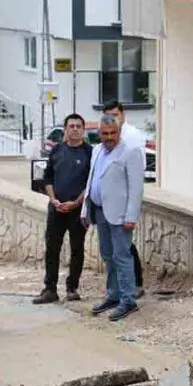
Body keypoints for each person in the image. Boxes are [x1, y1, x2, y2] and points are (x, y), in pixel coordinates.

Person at [81, 114, 144, 322]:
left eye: (113, 133)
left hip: (120, 215)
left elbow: (136, 188)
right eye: (105, 133)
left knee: (122, 256)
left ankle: (128, 299)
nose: (109, 137)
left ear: (119, 132)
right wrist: (85, 210)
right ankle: (113, 295)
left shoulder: (130, 152)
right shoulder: (97, 150)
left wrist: (131, 216)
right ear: (99, 133)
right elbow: (91, 180)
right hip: (99, 210)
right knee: (107, 255)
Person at [32, 113, 93, 304]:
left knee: (77, 249)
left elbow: (92, 183)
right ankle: (50, 289)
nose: (74, 129)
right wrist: (54, 199)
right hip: (56, 209)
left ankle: (72, 287)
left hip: (78, 210)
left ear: (83, 130)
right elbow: (47, 177)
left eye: (78, 126)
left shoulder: (90, 153)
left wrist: (76, 202)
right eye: (71, 126)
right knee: (52, 248)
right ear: (65, 130)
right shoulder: (57, 150)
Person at [102, 100, 146, 299]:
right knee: (112, 252)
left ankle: (132, 289)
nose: (113, 119)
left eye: (115, 114)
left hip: (123, 202)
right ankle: (115, 292)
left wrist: (131, 212)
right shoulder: (103, 142)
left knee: (124, 251)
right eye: (108, 115)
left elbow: (136, 175)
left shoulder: (132, 138)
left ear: (123, 115)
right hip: (106, 206)